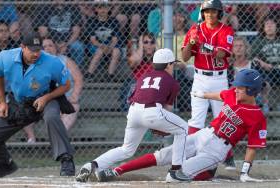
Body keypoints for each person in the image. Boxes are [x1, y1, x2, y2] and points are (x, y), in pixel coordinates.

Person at [96, 69, 267, 183]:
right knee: (163, 155)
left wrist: (245, 171)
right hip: (204, 134)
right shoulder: (233, 94)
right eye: (236, 86)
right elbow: (221, 95)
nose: (236, 89)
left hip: (217, 150)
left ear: (252, 91)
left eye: (241, 88)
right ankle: (117, 171)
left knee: (174, 177)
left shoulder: (257, 116)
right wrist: (202, 94)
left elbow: (252, 146)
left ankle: (207, 171)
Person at [75, 48, 189, 182]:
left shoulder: (144, 76)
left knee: (127, 149)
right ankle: (176, 171)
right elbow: (167, 109)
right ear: (168, 65)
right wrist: (161, 127)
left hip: (133, 111)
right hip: (152, 112)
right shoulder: (172, 82)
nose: (173, 67)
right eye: (172, 64)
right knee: (183, 129)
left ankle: (92, 164)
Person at [0, 32, 75, 178]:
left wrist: (47, 97)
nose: (36, 53)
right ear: (22, 47)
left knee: (51, 117)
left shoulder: (52, 62)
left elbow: (66, 85)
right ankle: (5, 165)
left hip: (46, 99)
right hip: (20, 102)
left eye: (38, 50)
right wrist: (1, 102)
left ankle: (66, 160)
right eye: (32, 50)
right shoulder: (5, 57)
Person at [181, 0, 235, 169]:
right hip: (200, 79)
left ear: (219, 13)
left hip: (219, 80)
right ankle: (189, 154)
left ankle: (227, 155)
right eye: (207, 12)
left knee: (222, 118)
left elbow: (221, 54)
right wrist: (191, 42)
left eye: (214, 12)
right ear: (202, 13)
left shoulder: (226, 30)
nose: (210, 15)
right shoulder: (194, 30)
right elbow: (184, 57)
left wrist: (203, 44)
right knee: (196, 119)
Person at [23, 38, 83, 143]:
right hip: (43, 99)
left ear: (56, 48)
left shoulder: (65, 61)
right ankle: (31, 138)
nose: (48, 49)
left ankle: (58, 139)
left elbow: (78, 79)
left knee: (73, 106)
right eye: (44, 47)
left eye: (50, 46)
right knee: (23, 108)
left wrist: (75, 95)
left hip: (65, 98)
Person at [35, 0, 84, 65]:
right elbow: (42, 31)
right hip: (51, 40)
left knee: (78, 47)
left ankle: (76, 68)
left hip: (69, 40)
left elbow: (76, 31)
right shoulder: (45, 8)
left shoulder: (72, 8)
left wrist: (66, 44)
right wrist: (55, 43)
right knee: (47, 46)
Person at [228, 36, 270, 114]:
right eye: (236, 46)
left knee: (266, 85)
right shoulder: (229, 67)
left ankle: (265, 105)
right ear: (232, 49)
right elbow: (228, 85)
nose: (238, 48)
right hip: (235, 95)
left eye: (241, 46)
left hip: (252, 95)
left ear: (246, 48)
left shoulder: (254, 64)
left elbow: (262, 81)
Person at [85, 0, 121, 81]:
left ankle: (110, 75)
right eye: (100, 8)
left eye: (105, 7)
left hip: (110, 44)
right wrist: (102, 46)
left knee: (116, 51)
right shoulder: (92, 21)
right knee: (99, 51)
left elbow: (115, 39)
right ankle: (89, 74)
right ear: (96, 9)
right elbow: (93, 40)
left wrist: (110, 48)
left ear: (109, 9)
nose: (103, 10)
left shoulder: (113, 21)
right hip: (96, 45)